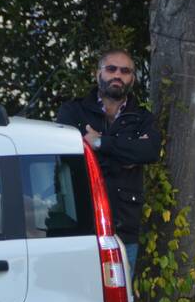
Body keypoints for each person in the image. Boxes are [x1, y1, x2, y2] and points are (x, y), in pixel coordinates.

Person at [56, 48, 161, 270]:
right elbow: (68, 155)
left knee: (121, 291)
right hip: (78, 225)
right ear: (98, 74)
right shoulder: (73, 111)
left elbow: (149, 152)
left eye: (125, 71)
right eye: (111, 69)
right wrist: (127, 153)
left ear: (132, 79)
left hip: (123, 230)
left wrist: (99, 143)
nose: (118, 75)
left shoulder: (142, 118)